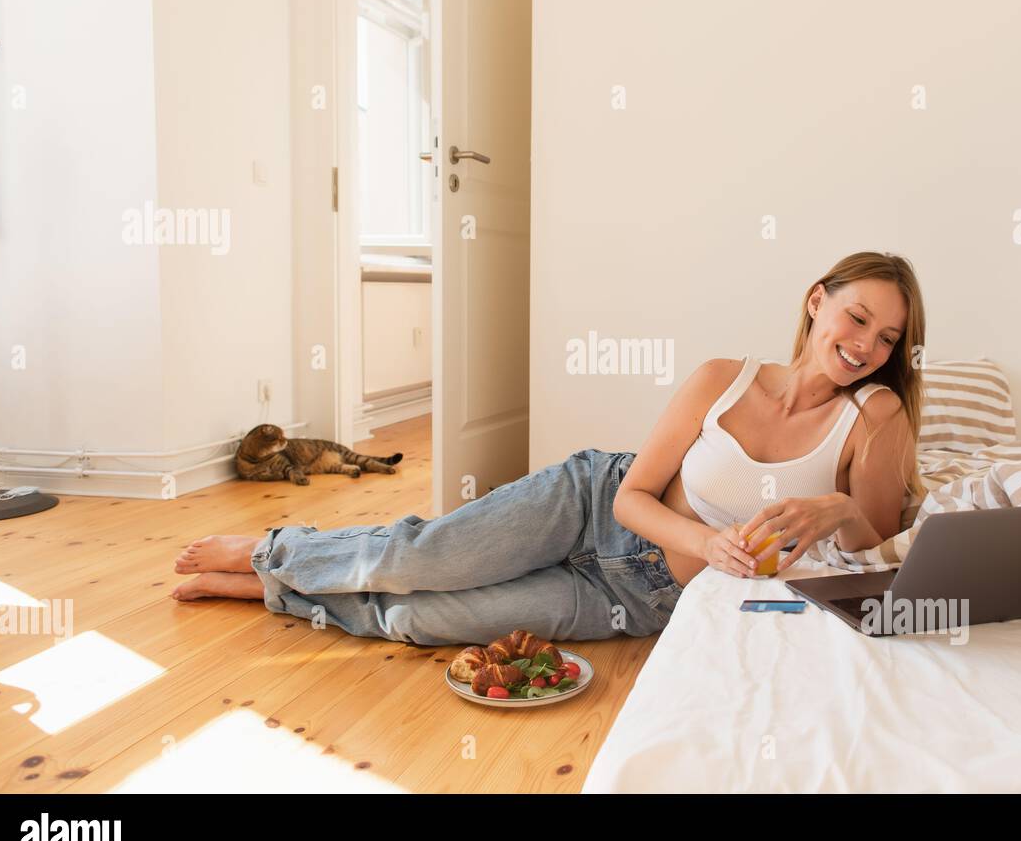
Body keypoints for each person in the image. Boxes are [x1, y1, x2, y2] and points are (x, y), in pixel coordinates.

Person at [170, 251, 928, 646]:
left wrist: (833, 508)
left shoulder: (876, 416)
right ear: (815, 301)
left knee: (423, 622)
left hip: (639, 596)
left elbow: (882, 547)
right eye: (856, 318)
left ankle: (274, 590)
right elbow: (634, 495)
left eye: (887, 337)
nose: (864, 345)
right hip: (591, 507)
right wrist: (704, 539)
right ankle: (275, 551)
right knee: (419, 560)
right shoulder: (723, 380)